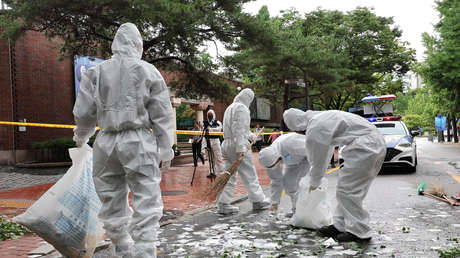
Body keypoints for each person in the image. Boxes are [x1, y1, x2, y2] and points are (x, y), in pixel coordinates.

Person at [73, 23, 174, 258]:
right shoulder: (148, 71)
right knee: (146, 196)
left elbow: (84, 111)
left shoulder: (95, 72)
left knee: (110, 196)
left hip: (105, 142)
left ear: (115, 44)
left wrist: (81, 137)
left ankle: (122, 246)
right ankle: (145, 251)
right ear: (137, 45)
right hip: (139, 142)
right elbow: (162, 113)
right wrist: (165, 146)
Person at [283, 108, 386, 242]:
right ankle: (340, 225)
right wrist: (317, 178)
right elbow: (326, 152)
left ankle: (359, 232)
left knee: (348, 191)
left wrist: (314, 182)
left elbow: (318, 159)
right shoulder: (322, 117)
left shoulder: (315, 126)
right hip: (372, 144)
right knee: (347, 190)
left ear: (295, 124)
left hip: (365, 146)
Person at [217, 88, 270, 214]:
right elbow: (238, 128)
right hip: (237, 145)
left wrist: (252, 136)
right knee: (249, 174)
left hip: (226, 144)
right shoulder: (242, 108)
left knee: (228, 176)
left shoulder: (230, 108)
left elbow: (241, 130)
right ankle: (258, 200)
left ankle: (223, 203)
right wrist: (241, 148)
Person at [258, 133, 309, 217]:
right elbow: (276, 180)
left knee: (302, 185)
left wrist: (316, 174)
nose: (272, 168)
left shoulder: (292, 143)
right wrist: (274, 202)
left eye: (273, 165)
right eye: (270, 167)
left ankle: (305, 211)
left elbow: (314, 150)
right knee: (289, 185)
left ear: (278, 158)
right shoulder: (269, 158)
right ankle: (296, 209)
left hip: (307, 159)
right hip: (292, 163)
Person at [201, 109, 224, 177]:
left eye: (211, 115)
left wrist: (211, 129)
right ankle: (212, 172)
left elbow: (219, 129)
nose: (209, 116)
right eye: (208, 115)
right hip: (208, 140)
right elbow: (203, 130)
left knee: (218, 156)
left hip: (215, 140)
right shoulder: (205, 123)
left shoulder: (218, 122)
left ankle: (221, 171)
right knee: (210, 158)